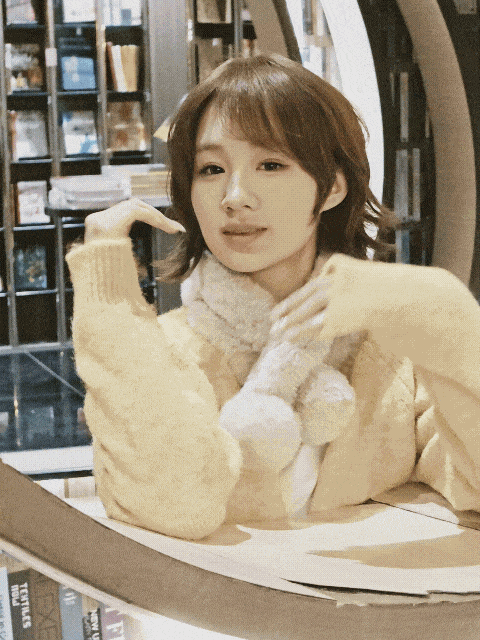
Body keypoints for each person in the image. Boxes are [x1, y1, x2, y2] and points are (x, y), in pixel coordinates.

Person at [66, 53, 480, 541]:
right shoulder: (160, 352)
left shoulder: (388, 358)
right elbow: (174, 506)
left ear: (332, 188)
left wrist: (443, 307)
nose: (235, 196)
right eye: (211, 168)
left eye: (270, 164)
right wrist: (109, 301)